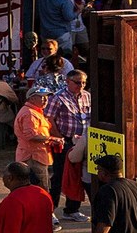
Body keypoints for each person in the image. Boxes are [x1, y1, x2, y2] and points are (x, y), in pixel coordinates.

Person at [45, 70, 90, 223]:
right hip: (66, 140)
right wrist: (59, 138)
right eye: (78, 82)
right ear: (68, 81)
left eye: (83, 82)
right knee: (58, 176)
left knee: (78, 175)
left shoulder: (86, 96)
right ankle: (50, 210)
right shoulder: (57, 97)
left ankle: (72, 209)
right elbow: (49, 118)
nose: (81, 86)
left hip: (82, 140)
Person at [14, 85, 64, 201]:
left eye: (46, 97)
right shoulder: (30, 114)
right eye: (42, 97)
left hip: (35, 155)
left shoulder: (35, 112)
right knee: (40, 187)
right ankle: (45, 213)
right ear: (31, 99)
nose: (46, 100)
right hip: (33, 157)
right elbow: (31, 136)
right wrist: (52, 139)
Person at [92, 154, 137, 233]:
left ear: (104, 173)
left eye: (98, 169)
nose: (97, 172)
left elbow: (104, 224)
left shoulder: (107, 191)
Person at [0, 161, 54, 233]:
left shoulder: (12, 201)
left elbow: (9, 229)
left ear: (10, 178)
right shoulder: (43, 193)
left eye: (4, 174)